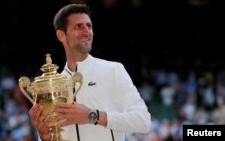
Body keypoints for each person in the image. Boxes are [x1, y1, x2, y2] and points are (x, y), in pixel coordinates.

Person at [28, 3, 151, 141]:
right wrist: (44, 136)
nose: (87, 32)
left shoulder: (113, 70)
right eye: (78, 27)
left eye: (89, 26)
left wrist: (92, 116)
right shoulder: (53, 85)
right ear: (61, 35)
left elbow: (143, 121)